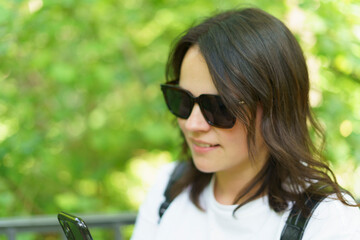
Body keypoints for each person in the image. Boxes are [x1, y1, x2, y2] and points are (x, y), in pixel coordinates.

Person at [131, 7, 360, 240]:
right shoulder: (169, 186)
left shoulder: (329, 221)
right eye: (182, 100)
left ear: (276, 108)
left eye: (219, 107)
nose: (192, 124)